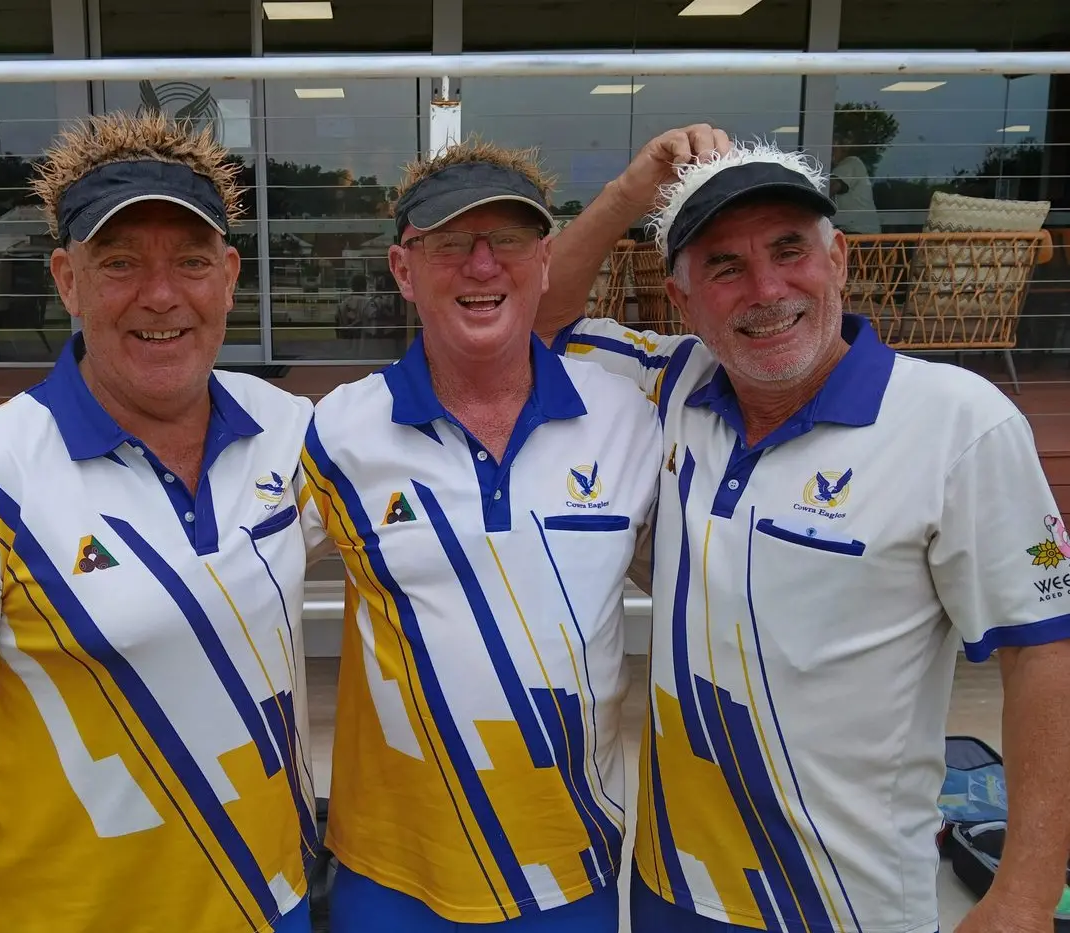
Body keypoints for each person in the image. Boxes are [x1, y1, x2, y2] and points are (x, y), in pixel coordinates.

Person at [536, 139, 1070, 933]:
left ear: (840, 259)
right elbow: (539, 319)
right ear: (683, 305)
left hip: (850, 905)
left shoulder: (961, 423)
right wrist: (627, 192)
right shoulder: (673, 383)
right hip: (670, 887)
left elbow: (1044, 653)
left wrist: (1022, 897)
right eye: (724, 266)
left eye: (791, 250)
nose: (767, 289)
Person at [0, 111, 317, 933]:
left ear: (231, 274)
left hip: (267, 907)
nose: (162, 295)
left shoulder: (291, 433)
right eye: (121, 263)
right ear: (67, 279)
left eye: (192, 262)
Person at [296, 128, 722, 933]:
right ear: (403, 270)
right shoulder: (335, 433)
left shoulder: (629, 416)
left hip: (571, 867)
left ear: (546, 260)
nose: (483, 265)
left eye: (510, 240)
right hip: (389, 873)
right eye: (451, 243)